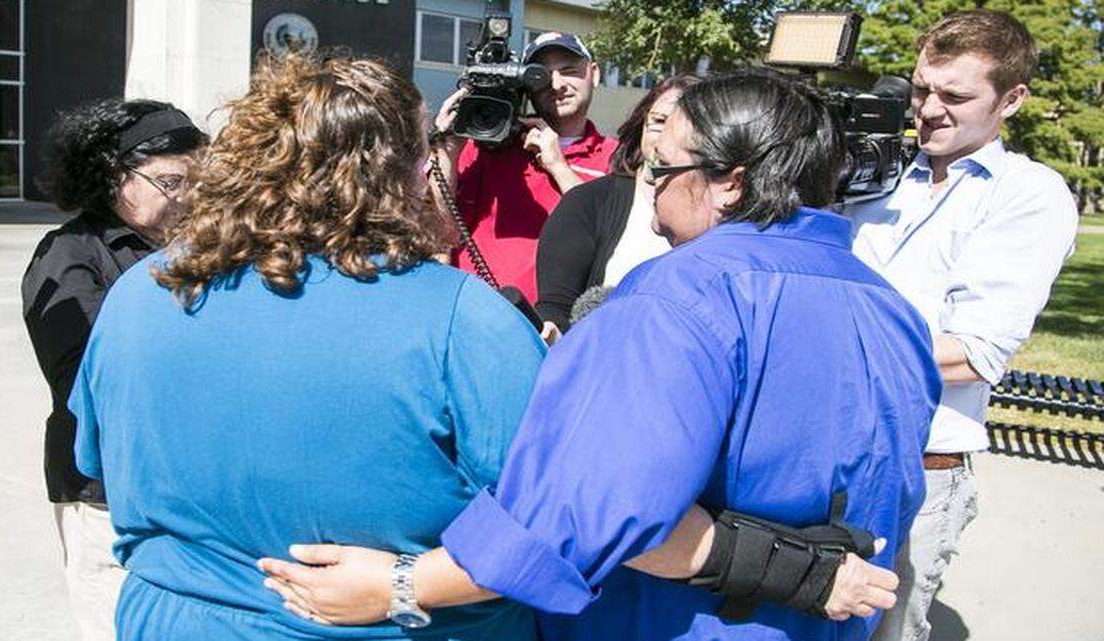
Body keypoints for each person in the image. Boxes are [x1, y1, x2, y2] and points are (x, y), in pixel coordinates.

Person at [260, 68, 943, 641]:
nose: (648, 188)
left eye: (663, 169)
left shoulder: (676, 298)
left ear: (730, 182)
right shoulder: (893, 309)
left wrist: (398, 584)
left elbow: (591, 512)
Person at [66, 53, 720, 641]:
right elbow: (564, 522)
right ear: (404, 173)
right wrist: (405, 585)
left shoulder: (140, 293)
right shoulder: (462, 321)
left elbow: (98, 460)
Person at [843, 11, 1079, 641]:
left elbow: (972, 354)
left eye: (955, 96)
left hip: (919, 467)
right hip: (820, 452)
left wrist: (826, 348)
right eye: (922, 89)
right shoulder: (873, 174)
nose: (929, 109)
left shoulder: (1029, 195)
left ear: (1012, 100)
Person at [20, 98, 204, 641]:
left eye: (199, 182)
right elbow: (85, 381)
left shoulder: (199, 248)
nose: (187, 197)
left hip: (184, 486)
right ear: (113, 175)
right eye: (172, 181)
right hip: (104, 493)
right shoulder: (69, 255)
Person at [434, 31, 618, 303]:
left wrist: (559, 167)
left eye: (569, 71)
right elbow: (439, 232)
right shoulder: (487, 146)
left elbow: (612, 236)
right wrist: (447, 152)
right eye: (542, 75)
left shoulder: (618, 156)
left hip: (556, 328)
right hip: (474, 315)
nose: (557, 84)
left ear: (594, 74)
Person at [536, 74, 700, 332]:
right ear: (642, 124)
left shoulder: (724, 211)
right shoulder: (587, 203)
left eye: (682, 125)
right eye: (658, 121)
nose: (665, 137)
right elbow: (555, 308)